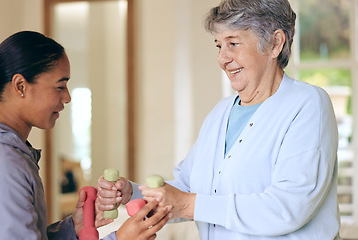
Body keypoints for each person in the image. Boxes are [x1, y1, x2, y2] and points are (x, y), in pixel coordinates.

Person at [97, 0, 341, 239]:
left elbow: (288, 207)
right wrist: (133, 193)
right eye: (218, 46)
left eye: (233, 43)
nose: (222, 59)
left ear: (275, 43)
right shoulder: (220, 113)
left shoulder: (307, 104)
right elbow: (188, 189)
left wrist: (188, 205)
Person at [0, 31, 172, 240]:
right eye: (60, 86)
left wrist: (74, 227)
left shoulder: (5, 152)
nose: (67, 97)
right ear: (20, 86)